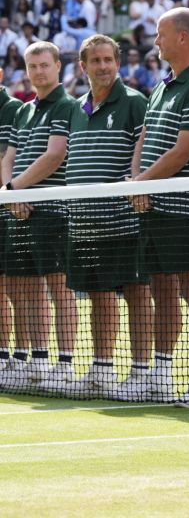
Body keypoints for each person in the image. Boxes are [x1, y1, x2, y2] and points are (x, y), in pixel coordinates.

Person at [131, 8, 189, 406]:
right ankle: (162, 373)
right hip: (152, 206)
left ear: (183, 37)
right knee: (161, 291)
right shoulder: (163, 86)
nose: (156, 41)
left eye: (162, 34)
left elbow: (184, 151)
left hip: (185, 209)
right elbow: (147, 139)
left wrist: (142, 182)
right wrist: (137, 184)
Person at [66, 35, 152, 399]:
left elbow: (143, 152)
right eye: (95, 61)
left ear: (118, 63)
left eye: (108, 59)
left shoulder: (134, 102)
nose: (103, 66)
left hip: (124, 220)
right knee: (99, 295)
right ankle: (102, 367)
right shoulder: (76, 108)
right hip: (83, 222)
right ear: (82, 67)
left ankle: (143, 370)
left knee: (135, 293)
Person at [0, 42, 78, 393]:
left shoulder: (66, 105)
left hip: (52, 210)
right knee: (26, 290)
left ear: (58, 66)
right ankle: (36, 358)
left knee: (59, 290)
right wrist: (10, 192)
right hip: (19, 208)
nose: (38, 72)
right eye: (33, 66)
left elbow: (54, 155)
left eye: (44, 65)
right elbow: (9, 157)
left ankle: (62, 364)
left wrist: (15, 189)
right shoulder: (24, 111)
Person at [0, 68, 22, 378]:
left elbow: (6, 157)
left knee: (16, 287)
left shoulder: (12, 108)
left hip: (9, 210)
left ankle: (17, 356)